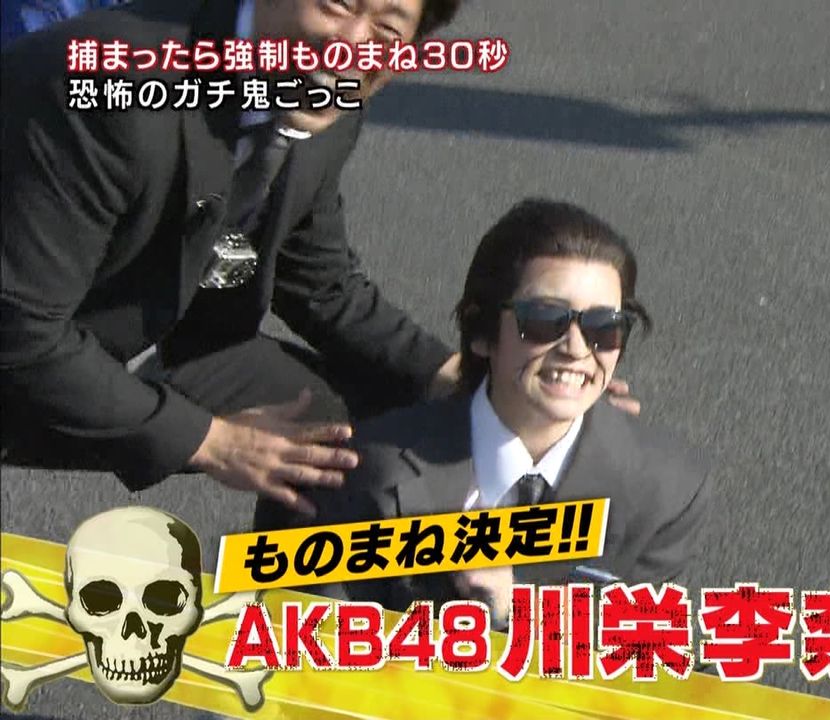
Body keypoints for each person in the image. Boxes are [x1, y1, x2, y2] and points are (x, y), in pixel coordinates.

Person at [0, 0, 637, 526]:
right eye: (336, 5)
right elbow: (20, 328)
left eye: (387, 29)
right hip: (24, 359)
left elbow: (321, 282)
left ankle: (297, 629)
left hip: (151, 338)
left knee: (355, 446)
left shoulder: (327, 97)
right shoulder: (109, 92)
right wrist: (209, 440)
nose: (352, 44)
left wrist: (475, 374)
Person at [289, 198, 713, 625]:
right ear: (481, 332)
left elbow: (631, 648)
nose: (577, 349)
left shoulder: (667, 489)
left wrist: (517, 612)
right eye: (545, 320)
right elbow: (309, 644)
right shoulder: (361, 472)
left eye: (604, 327)